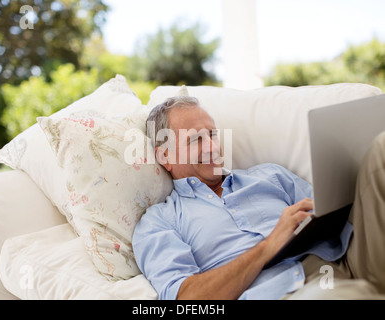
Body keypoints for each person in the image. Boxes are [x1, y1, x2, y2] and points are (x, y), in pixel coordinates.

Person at [132, 96, 385, 300]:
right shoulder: (158, 223)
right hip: (289, 294)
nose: (212, 147)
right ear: (164, 156)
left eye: (212, 134)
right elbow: (186, 299)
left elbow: (330, 209)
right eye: (196, 139)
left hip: (350, 261)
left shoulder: (270, 175)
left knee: (381, 148)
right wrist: (269, 245)